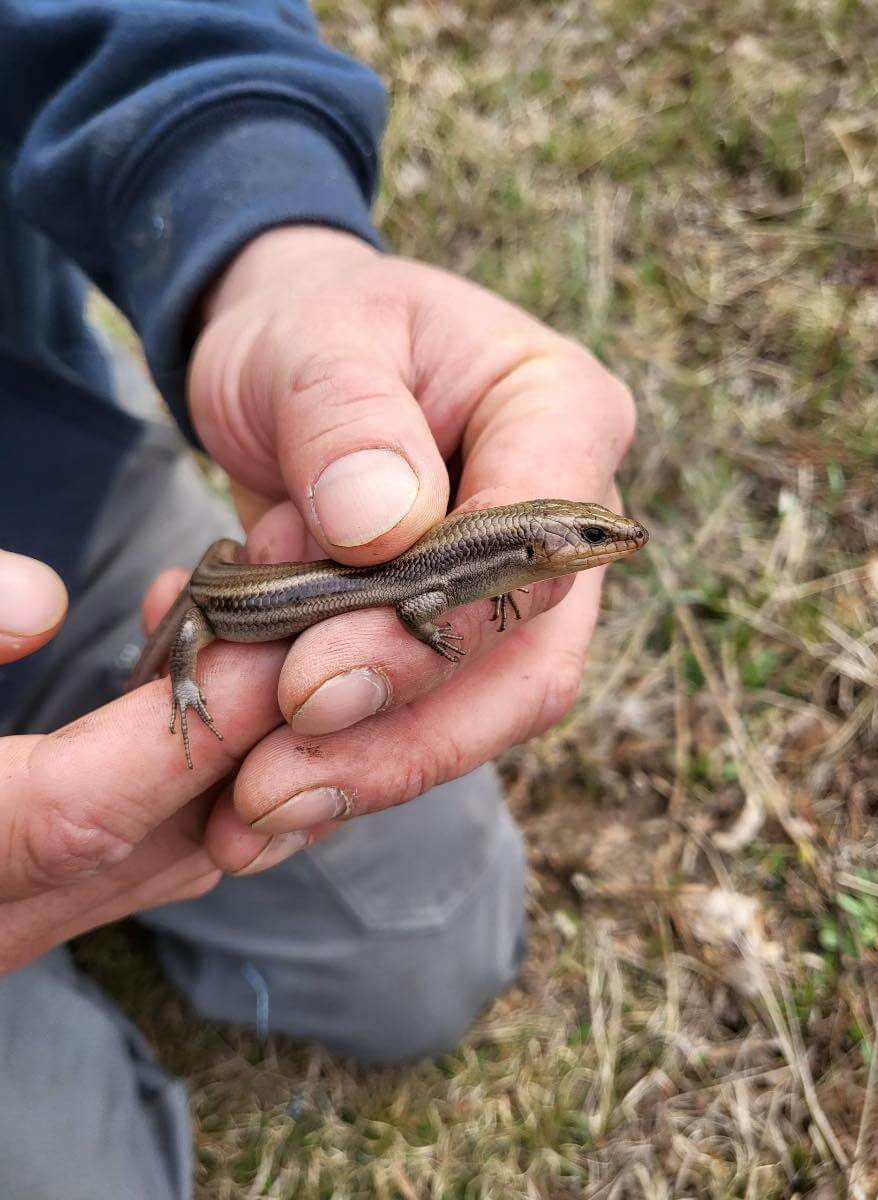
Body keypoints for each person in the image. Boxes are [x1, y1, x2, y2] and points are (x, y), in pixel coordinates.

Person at [0, 2, 636, 1196]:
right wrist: (185, 670)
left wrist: (276, 254)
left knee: (429, 940)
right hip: (206, 617)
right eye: (591, 539)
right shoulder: (446, 576)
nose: (603, 545)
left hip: (48, 484)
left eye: (592, 538)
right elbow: (410, 607)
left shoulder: (457, 556)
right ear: (544, 546)